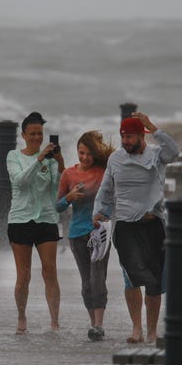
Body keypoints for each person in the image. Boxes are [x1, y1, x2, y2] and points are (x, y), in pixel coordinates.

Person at [93, 112, 179, 343]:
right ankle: (136, 329)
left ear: (142, 136)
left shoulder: (156, 155)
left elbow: (175, 152)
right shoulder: (116, 159)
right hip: (125, 225)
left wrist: (153, 127)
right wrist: (99, 212)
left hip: (153, 224)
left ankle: (152, 331)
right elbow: (106, 189)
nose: (126, 142)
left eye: (130, 137)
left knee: (154, 280)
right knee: (131, 278)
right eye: (123, 138)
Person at [7, 111, 65, 334]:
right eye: (32, 134)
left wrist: (59, 164)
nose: (36, 138)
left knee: (50, 271)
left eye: (39, 134)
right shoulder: (14, 156)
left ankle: (54, 321)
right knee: (24, 274)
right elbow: (20, 182)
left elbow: (54, 190)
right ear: (23, 135)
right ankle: (22, 316)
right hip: (20, 219)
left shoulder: (48, 159)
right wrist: (38, 158)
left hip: (46, 218)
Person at [56, 131, 115, 341]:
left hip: (99, 232)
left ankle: (99, 325)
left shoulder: (104, 171)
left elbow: (114, 195)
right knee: (86, 282)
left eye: (89, 154)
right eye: (81, 153)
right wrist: (69, 198)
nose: (84, 157)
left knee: (98, 278)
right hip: (77, 234)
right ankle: (93, 323)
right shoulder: (68, 175)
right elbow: (57, 206)